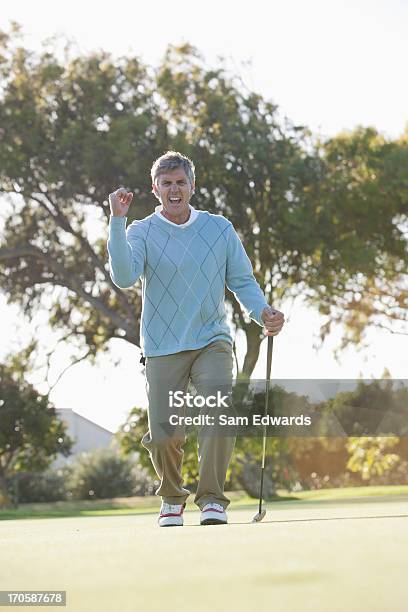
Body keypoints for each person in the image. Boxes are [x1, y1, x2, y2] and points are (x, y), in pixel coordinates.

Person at [107, 151, 284, 527]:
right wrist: (116, 224)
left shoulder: (218, 229)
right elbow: (124, 276)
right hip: (161, 346)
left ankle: (212, 500)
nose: (174, 189)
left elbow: (241, 281)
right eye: (167, 183)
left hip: (212, 340)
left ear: (192, 186)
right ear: (155, 189)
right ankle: (171, 498)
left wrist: (262, 312)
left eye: (181, 182)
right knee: (165, 436)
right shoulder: (139, 231)